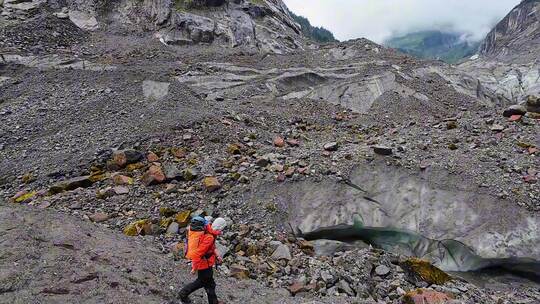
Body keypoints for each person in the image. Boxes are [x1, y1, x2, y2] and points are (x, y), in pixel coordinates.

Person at [179, 216, 227, 304]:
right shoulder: (209, 237)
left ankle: (214, 302)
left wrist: (217, 255)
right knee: (202, 282)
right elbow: (198, 253)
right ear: (219, 227)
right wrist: (194, 267)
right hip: (204, 264)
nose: (222, 231)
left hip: (206, 263)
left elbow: (211, 247)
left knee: (209, 283)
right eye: (222, 228)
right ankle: (183, 293)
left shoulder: (210, 232)